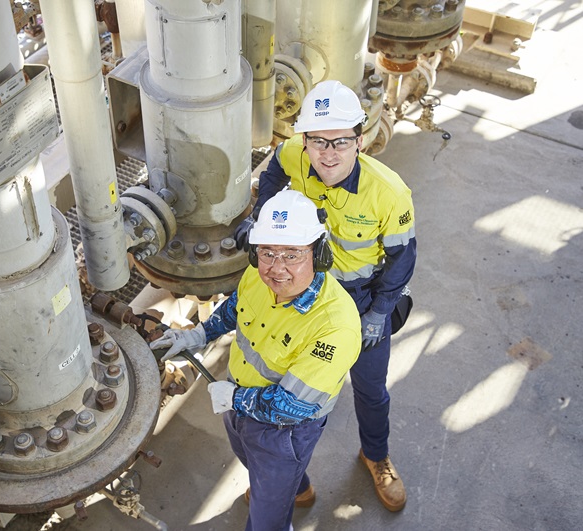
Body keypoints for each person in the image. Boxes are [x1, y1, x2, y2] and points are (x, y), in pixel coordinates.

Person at [234, 80, 416, 512]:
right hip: (304, 298)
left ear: (360, 138)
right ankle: (291, 482)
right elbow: (274, 172)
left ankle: (376, 456)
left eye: (340, 142)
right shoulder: (291, 155)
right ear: (305, 140)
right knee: (290, 395)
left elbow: (402, 261)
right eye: (318, 141)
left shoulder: (388, 194)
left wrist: (380, 313)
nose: (328, 154)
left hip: (361, 299)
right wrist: (262, 221)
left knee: (370, 389)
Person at [151, 190, 361, 531]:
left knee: (266, 522)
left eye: (292, 254)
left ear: (319, 254)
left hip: (283, 432)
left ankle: (281, 501)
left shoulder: (335, 328)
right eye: (267, 252)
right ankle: (298, 488)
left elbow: (293, 407)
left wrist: (234, 398)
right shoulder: (259, 277)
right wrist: (198, 335)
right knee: (251, 461)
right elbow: (235, 308)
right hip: (238, 405)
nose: (277, 268)